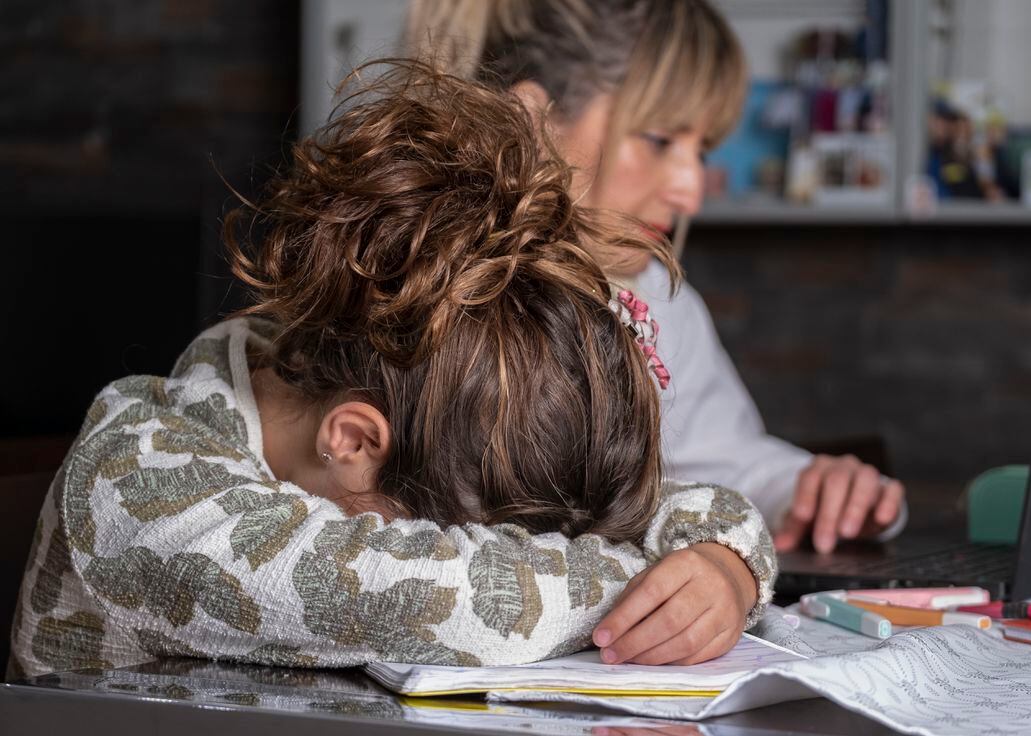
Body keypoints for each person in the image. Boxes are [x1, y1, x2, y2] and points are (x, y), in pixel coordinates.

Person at [8, 63, 775, 679]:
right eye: (472, 538)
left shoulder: (371, 398)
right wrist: (637, 588)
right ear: (355, 441)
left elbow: (693, 505)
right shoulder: (145, 491)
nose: (490, 554)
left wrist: (720, 565)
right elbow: (467, 601)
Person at [404, 0, 908, 555]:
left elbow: (722, 458)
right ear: (530, 117)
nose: (690, 191)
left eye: (702, 150)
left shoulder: (657, 300)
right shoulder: (410, 284)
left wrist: (814, 487)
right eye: (661, 140)